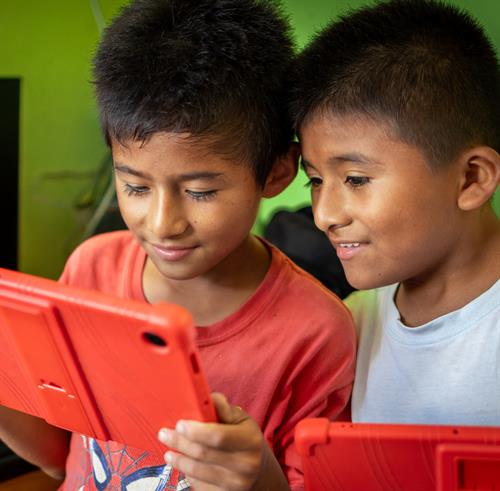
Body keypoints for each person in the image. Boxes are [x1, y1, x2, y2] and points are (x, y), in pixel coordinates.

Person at [0, 1, 356, 490]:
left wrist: (258, 480)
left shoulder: (317, 334)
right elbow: (62, 457)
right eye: (136, 186)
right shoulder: (91, 270)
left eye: (200, 191)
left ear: (276, 171)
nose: (163, 224)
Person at [290, 0, 500, 426]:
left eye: (355, 179)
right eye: (314, 181)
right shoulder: (349, 324)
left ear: (471, 180)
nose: (324, 215)